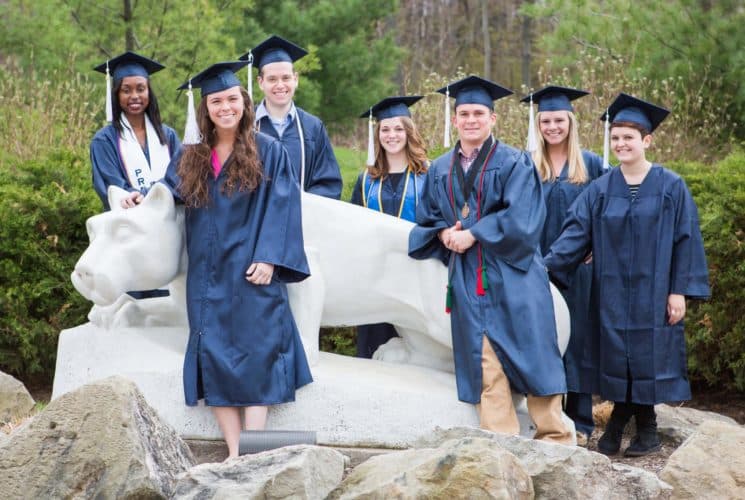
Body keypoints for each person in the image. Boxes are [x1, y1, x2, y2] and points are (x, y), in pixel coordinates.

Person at [125, 61, 313, 459]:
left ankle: (255, 451)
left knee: (258, 354)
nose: (224, 107)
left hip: (252, 270)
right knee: (214, 358)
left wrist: (269, 258)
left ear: (244, 102)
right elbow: (166, 190)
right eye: (216, 101)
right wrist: (141, 198)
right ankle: (234, 454)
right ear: (205, 108)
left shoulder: (269, 151)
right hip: (207, 275)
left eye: (231, 99)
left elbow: (283, 207)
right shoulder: (191, 156)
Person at [408, 75, 572, 444]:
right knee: (484, 360)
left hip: (513, 271)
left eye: (478, 113)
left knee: (533, 351)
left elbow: (524, 218)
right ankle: (501, 442)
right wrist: (442, 233)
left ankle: (556, 439)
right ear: (454, 120)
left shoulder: (515, 163)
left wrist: (474, 233)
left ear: (492, 119)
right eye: (463, 113)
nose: (471, 120)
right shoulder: (439, 169)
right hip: (468, 274)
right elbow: (428, 215)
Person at [544, 93, 710, 456]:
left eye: (629, 138)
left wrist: (679, 290)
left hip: (657, 291)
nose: (621, 144)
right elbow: (574, 233)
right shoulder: (601, 190)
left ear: (647, 141)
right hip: (611, 293)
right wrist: (542, 269)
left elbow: (686, 239)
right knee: (617, 356)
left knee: (649, 355)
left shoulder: (671, 187)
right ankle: (633, 424)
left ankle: (634, 426)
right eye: (615, 138)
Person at [521, 85, 605, 445]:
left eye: (559, 120)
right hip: (536, 265)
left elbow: (609, 214)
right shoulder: (525, 165)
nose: (553, 126)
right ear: (537, 124)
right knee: (542, 338)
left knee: (580, 339)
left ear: (570, 122)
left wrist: (597, 248)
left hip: (579, 269)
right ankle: (546, 418)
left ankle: (582, 421)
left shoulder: (592, 164)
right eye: (546, 120)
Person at [350, 96, 429, 358]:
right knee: (374, 347)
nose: (391, 135)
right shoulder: (366, 180)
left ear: (409, 132)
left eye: (398, 129)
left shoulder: (427, 176)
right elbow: (354, 226)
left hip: (415, 276)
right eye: (385, 129)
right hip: (375, 278)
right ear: (378, 134)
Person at [238, 35, 343, 199]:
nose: (280, 85)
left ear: (296, 79)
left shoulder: (313, 127)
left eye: (286, 78)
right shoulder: (244, 125)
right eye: (272, 79)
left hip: (303, 219)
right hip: (257, 222)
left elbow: (329, 184)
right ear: (260, 82)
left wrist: (300, 205)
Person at [91, 51, 181, 211]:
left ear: (149, 92)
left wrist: (148, 194)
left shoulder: (168, 135)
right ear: (117, 94)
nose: (134, 96)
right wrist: (136, 197)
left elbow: (181, 176)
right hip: (129, 225)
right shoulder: (104, 141)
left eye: (141, 89)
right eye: (126, 90)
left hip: (170, 224)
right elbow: (110, 186)